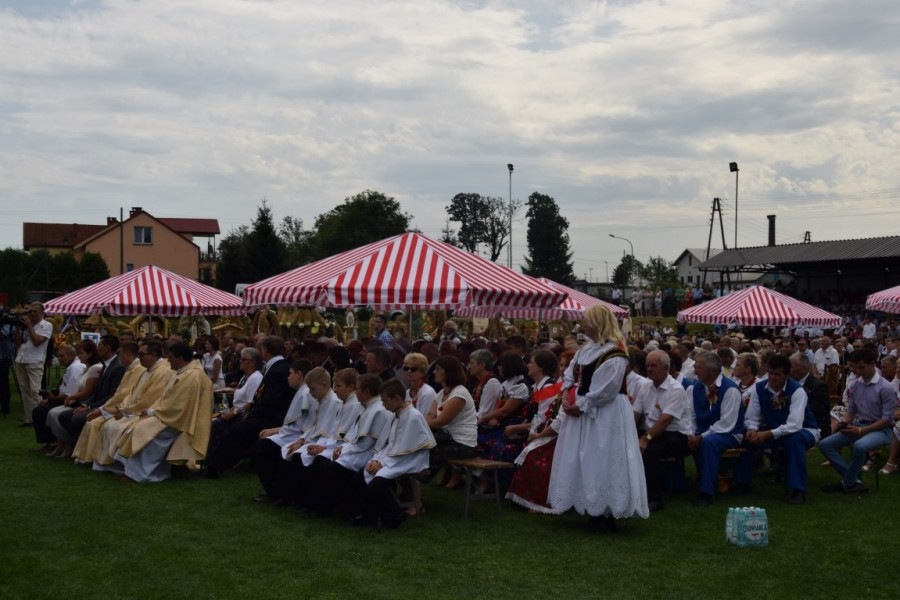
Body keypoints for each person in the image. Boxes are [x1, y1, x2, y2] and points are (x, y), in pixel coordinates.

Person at [547, 304, 648, 533]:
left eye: (588, 321)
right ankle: (587, 504)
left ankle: (606, 510)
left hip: (606, 413)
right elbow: (570, 375)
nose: (584, 325)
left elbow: (607, 389)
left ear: (599, 323)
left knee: (603, 457)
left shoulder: (615, 353)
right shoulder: (586, 350)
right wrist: (565, 393)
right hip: (585, 410)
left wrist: (581, 405)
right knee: (584, 457)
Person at [343, 379, 436, 528]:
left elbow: (404, 449)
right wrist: (376, 460)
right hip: (395, 458)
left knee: (376, 484)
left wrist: (382, 463)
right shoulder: (396, 413)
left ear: (397, 398)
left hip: (410, 459)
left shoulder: (413, 416)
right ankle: (369, 515)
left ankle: (394, 517)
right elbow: (389, 444)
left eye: (385, 401)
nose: (383, 405)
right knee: (357, 479)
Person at [116, 342, 212, 482]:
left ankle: (141, 474)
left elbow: (178, 406)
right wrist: (151, 411)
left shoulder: (191, 376)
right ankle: (132, 471)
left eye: (171, 358)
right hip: (170, 416)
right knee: (140, 426)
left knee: (145, 431)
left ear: (180, 358)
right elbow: (166, 399)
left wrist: (152, 413)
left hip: (181, 421)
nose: (168, 361)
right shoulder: (182, 372)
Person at [204, 335, 294, 478]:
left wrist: (244, 414)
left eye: (243, 359)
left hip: (270, 418)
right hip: (254, 412)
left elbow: (265, 401)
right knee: (221, 423)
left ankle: (214, 466)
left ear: (265, 350)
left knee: (234, 429)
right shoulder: (267, 369)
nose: (240, 361)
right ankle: (211, 462)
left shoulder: (274, 371)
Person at [734, 354, 820, 504]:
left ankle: (797, 490)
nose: (772, 378)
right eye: (770, 373)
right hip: (774, 428)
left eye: (777, 374)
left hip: (805, 429)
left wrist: (767, 434)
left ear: (787, 375)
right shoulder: (760, 388)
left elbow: (795, 424)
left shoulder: (797, 390)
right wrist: (753, 429)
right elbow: (752, 416)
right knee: (745, 436)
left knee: (795, 440)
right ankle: (742, 482)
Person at [306, 374, 390, 518]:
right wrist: (340, 448)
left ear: (367, 392)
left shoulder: (377, 409)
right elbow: (355, 436)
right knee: (323, 467)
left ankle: (350, 511)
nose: (355, 392)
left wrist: (342, 449)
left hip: (366, 454)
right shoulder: (368, 406)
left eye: (357, 389)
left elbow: (366, 443)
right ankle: (327, 508)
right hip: (356, 451)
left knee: (330, 471)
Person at [819, 348, 895, 494]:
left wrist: (862, 430)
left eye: (861, 367)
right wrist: (845, 422)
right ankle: (854, 481)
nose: (857, 371)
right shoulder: (855, 384)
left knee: (860, 446)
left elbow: (887, 419)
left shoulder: (886, 388)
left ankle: (848, 482)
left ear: (872, 364)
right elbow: (851, 411)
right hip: (860, 425)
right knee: (825, 444)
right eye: (855, 367)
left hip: (882, 430)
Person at [93, 341, 174, 473]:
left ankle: (126, 467)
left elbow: (149, 400)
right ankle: (112, 464)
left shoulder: (162, 373)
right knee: (110, 425)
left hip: (146, 413)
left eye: (141, 354)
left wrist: (126, 412)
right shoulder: (147, 370)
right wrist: (123, 409)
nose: (139, 357)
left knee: (119, 427)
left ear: (153, 355)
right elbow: (131, 394)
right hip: (133, 411)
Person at [248, 359, 316, 504]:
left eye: (290, 374)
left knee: (260, 448)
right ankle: (276, 491)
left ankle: (276, 492)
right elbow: (294, 423)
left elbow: (303, 426)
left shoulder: (305, 394)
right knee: (262, 444)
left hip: (297, 436)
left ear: (299, 374)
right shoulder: (301, 392)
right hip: (291, 434)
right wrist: (275, 430)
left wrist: (277, 432)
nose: (288, 377)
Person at [633, 350, 691, 512]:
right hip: (652, 431)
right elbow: (635, 415)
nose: (649, 369)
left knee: (649, 451)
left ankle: (654, 498)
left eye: (654, 366)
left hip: (675, 435)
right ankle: (630, 492)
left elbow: (665, 420)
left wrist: (645, 439)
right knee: (625, 445)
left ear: (666, 368)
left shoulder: (676, 390)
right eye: (647, 366)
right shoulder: (645, 386)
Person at [71, 342, 145, 464]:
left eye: (120, 357)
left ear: (128, 355)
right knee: (92, 422)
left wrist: (102, 410)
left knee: (95, 423)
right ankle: (85, 456)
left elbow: (122, 395)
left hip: (123, 408)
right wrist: (102, 408)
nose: (119, 360)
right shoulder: (130, 369)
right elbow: (119, 393)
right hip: (117, 406)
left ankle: (94, 458)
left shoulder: (137, 370)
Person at [688, 350, 744, 507]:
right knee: (682, 439)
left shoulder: (730, 389)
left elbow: (727, 424)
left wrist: (701, 436)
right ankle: (677, 483)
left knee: (709, 443)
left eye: (699, 367)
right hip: (705, 432)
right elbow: (691, 416)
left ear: (711, 371)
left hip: (730, 433)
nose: (695, 370)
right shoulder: (695, 388)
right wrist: (691, 434)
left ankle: (706, 492)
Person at [57, 335, 126, 446]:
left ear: (107, 348)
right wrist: (86, 405)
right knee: (64, 416)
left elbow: (112, 395)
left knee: (76, 419)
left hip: (106, 406)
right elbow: (96, 391)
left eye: (99, 345)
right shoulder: (106, 365)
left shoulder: (118, 367)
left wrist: (92, 407)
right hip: (95, 403)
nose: (97, 348)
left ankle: (82, 447)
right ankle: (77, 445)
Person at [425, 355, 478, 489]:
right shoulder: (442, 393)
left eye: (438, 369)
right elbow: (430, 416)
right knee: (420, 446)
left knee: (426, 450)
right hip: (447, 439)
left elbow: (440, 422)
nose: (434, 372)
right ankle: (412, 483)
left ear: (449, 372)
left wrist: (417, 425)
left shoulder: (459, 393)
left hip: (463, 443)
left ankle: (415, 482)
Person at [46, 341, 102, 458]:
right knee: (52, 413)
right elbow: (79, 387)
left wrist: (72, 397)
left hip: (85, 402)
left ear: (89, 354)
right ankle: (60, 445)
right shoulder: (86, 368)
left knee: (57, 414)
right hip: (78, 400)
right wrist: (73, 397)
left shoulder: (95, 368)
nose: (79, 356)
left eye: (81, 353)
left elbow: (88, 391)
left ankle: (68, 445)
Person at [32, 344, 84, 450]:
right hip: (65, 397)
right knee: (41, 407)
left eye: (62, 356)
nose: (59, 359)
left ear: (71, 355)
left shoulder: (75, 368)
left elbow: (71, 394)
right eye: (58, 356)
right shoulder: (72, 366)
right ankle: (52, 441)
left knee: (40, 411)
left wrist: (53, 398)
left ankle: (52, 441)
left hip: (72, 401)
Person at [14, 302, 53, 425]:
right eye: (29, 311)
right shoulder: (25, 325)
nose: (31, 314)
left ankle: (40, 417)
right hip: (21, 359)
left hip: (35, 360)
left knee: (35, 390)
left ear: (42, 312)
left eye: (34, 311)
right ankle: (30, 418)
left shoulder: (46, 325)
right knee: (24, 390)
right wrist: (18, 328)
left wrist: (29, 325)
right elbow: (18, 343)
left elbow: (37, 341)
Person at [790, 353, 830, 438]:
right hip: (795, 422)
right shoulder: (790, 384)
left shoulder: (818, 386)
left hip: (814, 425)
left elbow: (813, 410)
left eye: (791, 367)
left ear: (803, 369)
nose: (788, 370)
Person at [469, 349, 502, 419]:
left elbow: (484, 413)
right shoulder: (480, 382)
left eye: (472, 363)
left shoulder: (492, 383)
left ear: (481, 365)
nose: (469, 366)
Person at [403, 352, 436, 417]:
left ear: (422, 372)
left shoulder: (427, 393)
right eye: (406, 368)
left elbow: (423, 420)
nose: (409, 371)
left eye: (413, 369)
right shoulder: (407, 392)